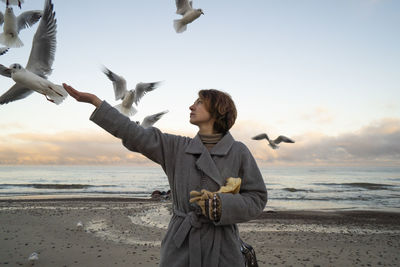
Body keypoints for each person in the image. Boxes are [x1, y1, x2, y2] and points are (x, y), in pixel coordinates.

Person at [62, 83, 268, 267]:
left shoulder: (239, 152)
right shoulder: (176, 147)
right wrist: (97, 103)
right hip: (181, 247)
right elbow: (135, 134)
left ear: (218, 110)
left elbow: (257, 198)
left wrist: (221, 206)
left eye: (199, 102)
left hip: (223, 248)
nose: (191, 106)